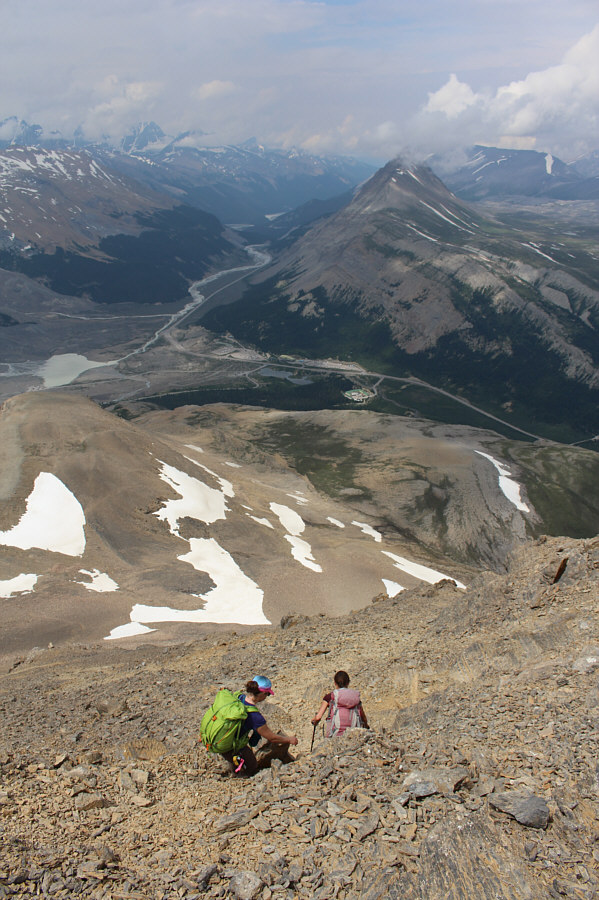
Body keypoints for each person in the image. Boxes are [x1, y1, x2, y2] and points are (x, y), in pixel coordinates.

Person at [221, 675, 298, 777]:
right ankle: (239, 782)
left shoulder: (238, 697)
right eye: (267, 694)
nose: (266, 697)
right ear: (262, 693)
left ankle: (233, 771)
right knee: (252, 766)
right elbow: (272, 738)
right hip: (229, 744)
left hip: (222, 738)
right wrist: (289, 740)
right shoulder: (255, 716)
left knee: (242, 757)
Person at [311, 670, 369, 737]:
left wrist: (314, 721)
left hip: (336, 734)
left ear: (335, 683)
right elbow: (363, 717)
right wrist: (366, 726)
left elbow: (318, 717)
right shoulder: (355, 697)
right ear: (348, 683)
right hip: (354, 734)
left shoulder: (330, 696)